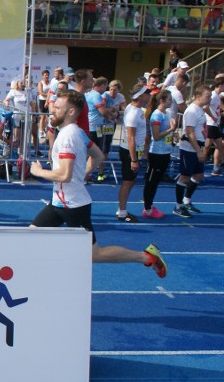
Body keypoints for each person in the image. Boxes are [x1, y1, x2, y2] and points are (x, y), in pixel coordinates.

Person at [29, 89, 167, 277]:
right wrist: (83, 173)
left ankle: (146, 257)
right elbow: (98, 155)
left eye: (58, 107)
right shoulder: (77, 132)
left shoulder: (68, 136)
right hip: (59, 202)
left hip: (73, 205)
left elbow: (64, 175)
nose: (52, 109)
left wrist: (38, 172)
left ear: (70, 112)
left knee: (95, 254)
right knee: (31, 234)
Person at [173, 86, 212, 218]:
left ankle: (186, 200)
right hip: (189, 149)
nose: (210, 98)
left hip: (197, 147)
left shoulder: (201, 110)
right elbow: (190, 133)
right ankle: (178, 206)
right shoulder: (191, 111)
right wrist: (198, 151)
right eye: (207, 96)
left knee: (199, 175)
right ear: (198, 96)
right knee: (184, 176)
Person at [115, 84, 150, 222]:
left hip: (135, 150)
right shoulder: (134, 113)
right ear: (141, 96)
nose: (150, 96)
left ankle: (122, 210)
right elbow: (131, 137)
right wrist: (134, 160)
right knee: (127, 182)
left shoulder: (136, 109)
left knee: (131, 181)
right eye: (147, 93)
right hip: (130, 151)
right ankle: (122, 212)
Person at [143, 90, 177, 219]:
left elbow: (166, 133)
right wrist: (170, 130)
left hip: (166, 151)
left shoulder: (167, 113)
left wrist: (173, 135)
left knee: (157, 181)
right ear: (162, 101)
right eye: (169, 100)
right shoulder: (156, 115)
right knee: (151, 181)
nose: (171, 102)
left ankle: (150, 206)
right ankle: (147, 208)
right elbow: (156, 136)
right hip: (156, 153)